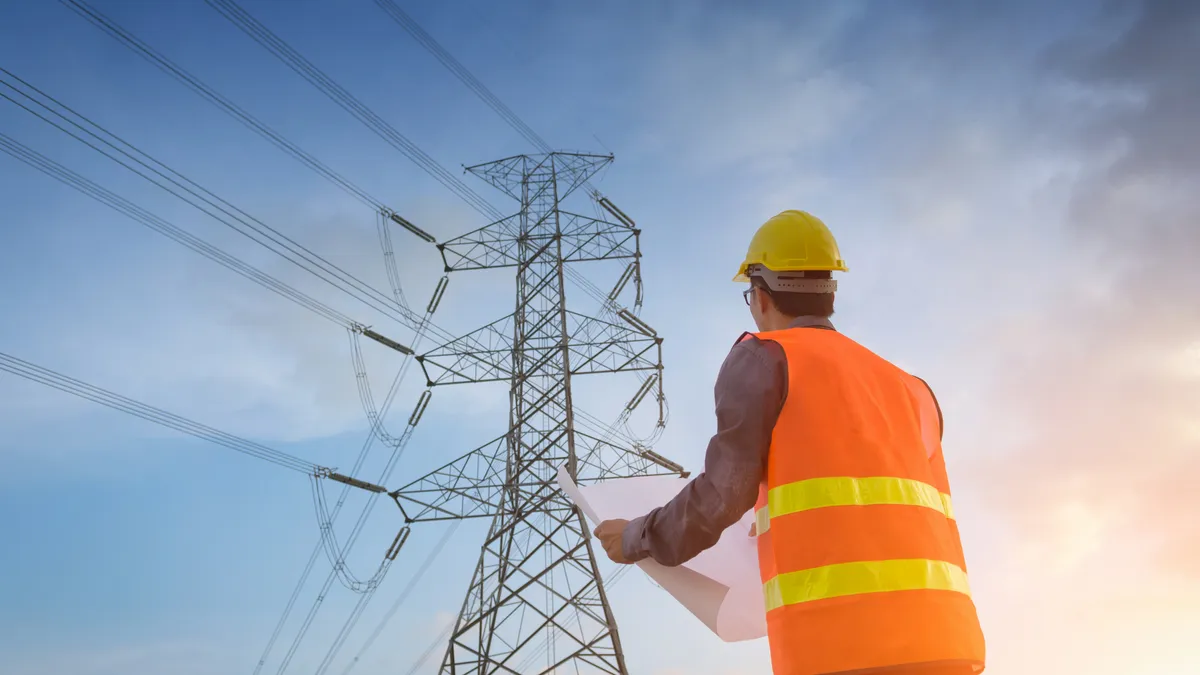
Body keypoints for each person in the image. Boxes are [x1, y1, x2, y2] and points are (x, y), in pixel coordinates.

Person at [593, 210, 986, 675]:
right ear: (830, 293)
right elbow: (868, 504)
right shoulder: (910, 387)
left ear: (759, 297)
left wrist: (636, 536)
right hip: (947, 642)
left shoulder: (764, 358)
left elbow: (723, 494)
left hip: (840, 648)